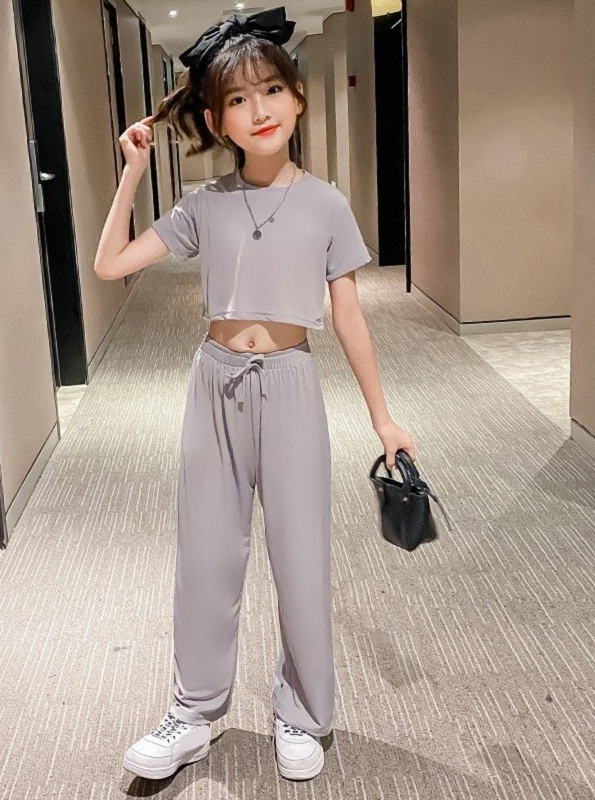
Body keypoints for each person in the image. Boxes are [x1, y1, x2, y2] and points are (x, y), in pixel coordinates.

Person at [94, 6, 415, 783]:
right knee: (207, 556)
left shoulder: (327, 204)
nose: (259, 109)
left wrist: (384, 418)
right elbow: (110, 265)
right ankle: (192, 712)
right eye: (238, 99)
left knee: (301, 557)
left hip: (292, 385)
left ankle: (301, 712)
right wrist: (132, 171)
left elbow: (348, 317)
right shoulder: (204, 205)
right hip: (215, 384)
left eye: (271, 90)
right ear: (216, 120)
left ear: (297, 99)